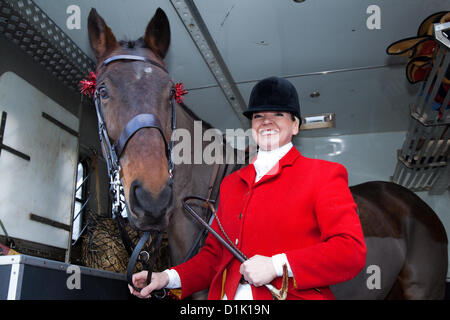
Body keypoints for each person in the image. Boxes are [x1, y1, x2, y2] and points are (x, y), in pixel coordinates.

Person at [129, 76, 366, 300]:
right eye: (258, 116)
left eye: (278, 114)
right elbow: (214, 258)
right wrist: (166, 278)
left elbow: (350, 252)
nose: (266, 121)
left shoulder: (323, 175)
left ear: (295, 126)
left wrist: (276, 265)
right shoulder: (232, 184)